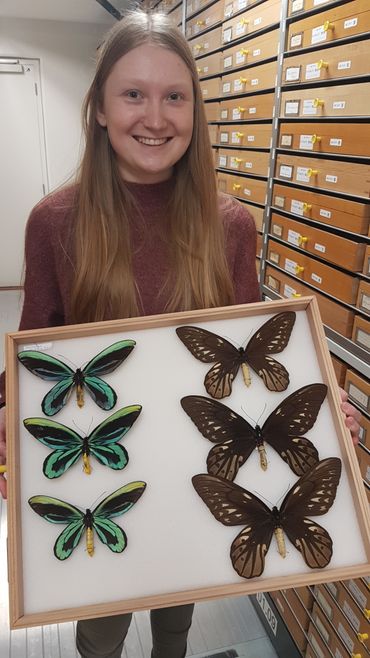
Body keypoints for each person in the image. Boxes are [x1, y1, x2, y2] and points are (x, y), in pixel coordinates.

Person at [0, 9, 361, 658]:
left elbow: (250, 358)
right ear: (101, 109)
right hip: (103, 462)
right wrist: (12, 427)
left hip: (193, 455)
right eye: (133, 94)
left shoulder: (231, 226)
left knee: (177, 610)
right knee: (101, 625)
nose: (156, 117)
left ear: (196, 112)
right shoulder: (54, 221)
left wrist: (320, 415)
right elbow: (37, 351)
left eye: (175, 97)